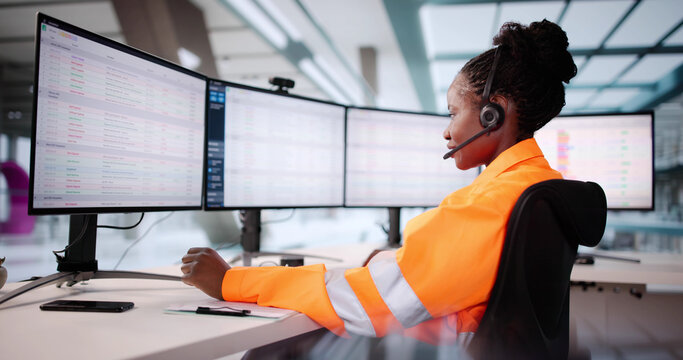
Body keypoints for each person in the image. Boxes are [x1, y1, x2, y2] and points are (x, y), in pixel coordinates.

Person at [181, 19, 577, 348]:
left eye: (453, 112)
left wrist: (232, 281)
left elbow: (372, 303)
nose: (446, 131)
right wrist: (394, 267)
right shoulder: (536, 183)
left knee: (276, 350)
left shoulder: (491, 205)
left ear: (494, 114)